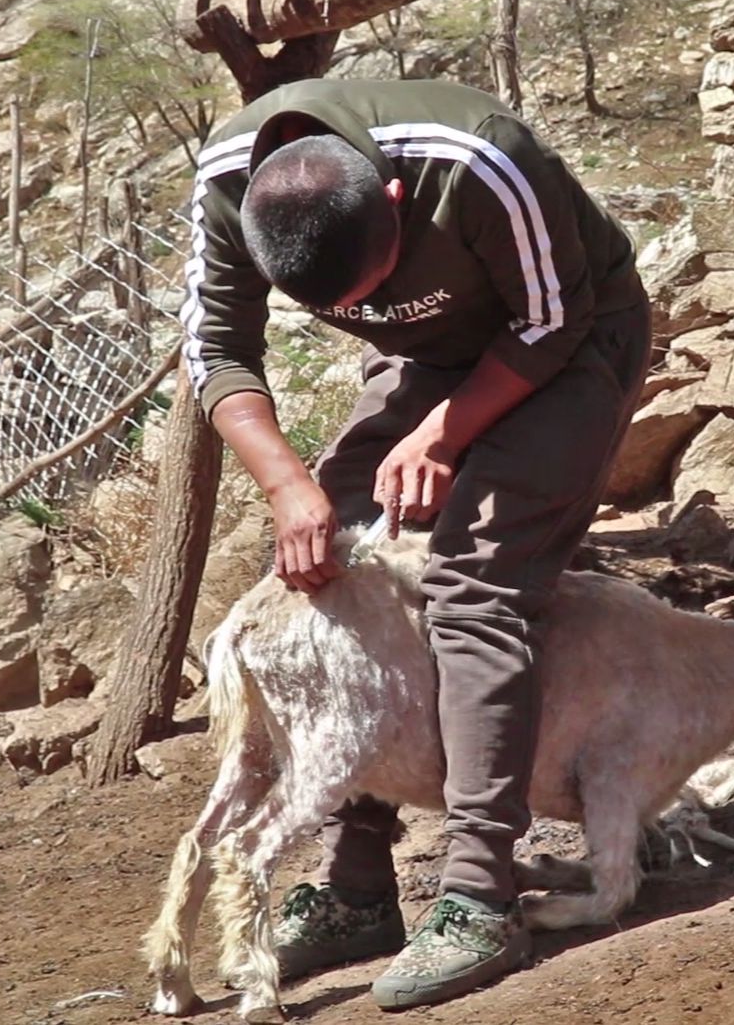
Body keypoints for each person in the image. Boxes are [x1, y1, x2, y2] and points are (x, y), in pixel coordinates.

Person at [180, 77, 651, 1010]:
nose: (379, 299)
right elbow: (217, 353)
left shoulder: (480, 159)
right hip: (421, 362)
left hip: (565, 345)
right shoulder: (230, 182)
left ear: (393, 198)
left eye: (383, 281)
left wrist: (443, 434)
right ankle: (358, 885)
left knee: (475, 584)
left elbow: (553, 320)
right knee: (336, 577)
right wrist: (289, 490)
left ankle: (479, 891)